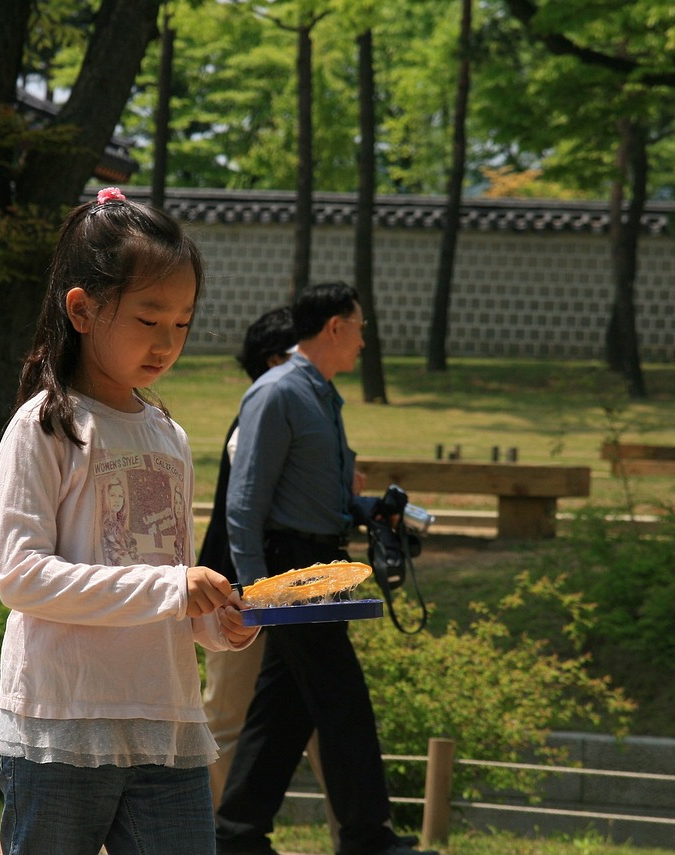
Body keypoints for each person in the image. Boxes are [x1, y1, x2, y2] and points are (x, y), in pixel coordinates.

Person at [0, 186, 259, 855]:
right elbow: (20, 577)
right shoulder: (46, 426)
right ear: (82, 309)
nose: (168, 341)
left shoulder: (168, 434)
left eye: (183, 323)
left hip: (165, 719)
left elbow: (170, 579)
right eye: (148, 318)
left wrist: (219, 623)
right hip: (61, 722)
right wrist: (172, 589)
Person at [215, 282, 437, 855]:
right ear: (335, 327)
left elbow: (319, 501)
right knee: (343, 704)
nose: (365, 341)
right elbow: (244, 504)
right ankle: (367, 839)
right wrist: (258, 588)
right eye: (360, 327)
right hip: (291, 571)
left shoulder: (320, 394)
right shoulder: (279, 392)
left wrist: (368, 510)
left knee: (284, 711)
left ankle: (236, 834)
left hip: (320, 562)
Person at [200, 306, 298, 810]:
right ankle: (214, 833)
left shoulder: (289, 414)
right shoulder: (256, 423)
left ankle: (360, 836)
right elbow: (249, 513)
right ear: (276, 359)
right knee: (226, 716)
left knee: (321, 710)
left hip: (292, 593)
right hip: (239, 590)